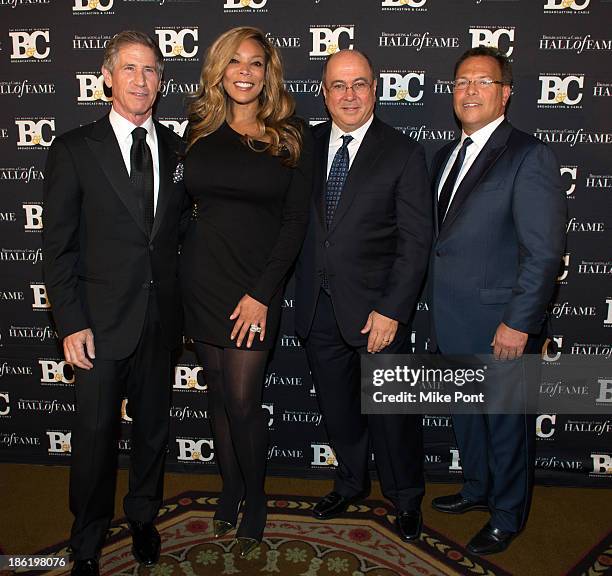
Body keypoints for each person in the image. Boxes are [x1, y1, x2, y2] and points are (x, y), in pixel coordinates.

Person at [42, 31, 187, 576]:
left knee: (153, 429)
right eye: (129, 69)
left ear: (160, 80)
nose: (141, 81)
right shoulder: (75, 148)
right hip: (98, 324)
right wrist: (70, 321)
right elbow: (56, 246)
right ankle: (86, 540)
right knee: (96, 438)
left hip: (159, 321)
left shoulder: (177, 149)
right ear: (107, 76)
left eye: (151, 70)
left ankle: (144, 517)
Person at [179, 27, 312, 558]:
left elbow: (295, 223)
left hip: (255, 289)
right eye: (234, 61)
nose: (245, 71)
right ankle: (230, 486)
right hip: (202, 280)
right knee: (216, 395)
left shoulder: (290, 135)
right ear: (219, 69)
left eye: (255, 63)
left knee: (243, 401)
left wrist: (262, 293)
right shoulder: (198, 130)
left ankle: (255, 498)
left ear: (268, 72)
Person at [428, 47, 566, 555]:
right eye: (462, 81)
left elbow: (545, 252)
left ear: (506, 93)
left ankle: (508, 515)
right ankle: (477, 489)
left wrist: (518, 323)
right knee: (468, 416)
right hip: (453, 317)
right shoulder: (446, 156)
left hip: (501, 324)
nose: (469, 90)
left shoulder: (529, 155)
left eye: (482, 81)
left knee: (506, 424)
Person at [295, 49, 431, 542]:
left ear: (375, 88)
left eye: (359, 84)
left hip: (378, 311)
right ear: (324, 92)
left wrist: (393, 310)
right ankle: (350, 482)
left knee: (393, 416)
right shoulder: (304, 144)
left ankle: (407, 498)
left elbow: (416, 241)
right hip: (319, 307)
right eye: (338, 85)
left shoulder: (402, 150)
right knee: (339, 410)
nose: (349, 95)